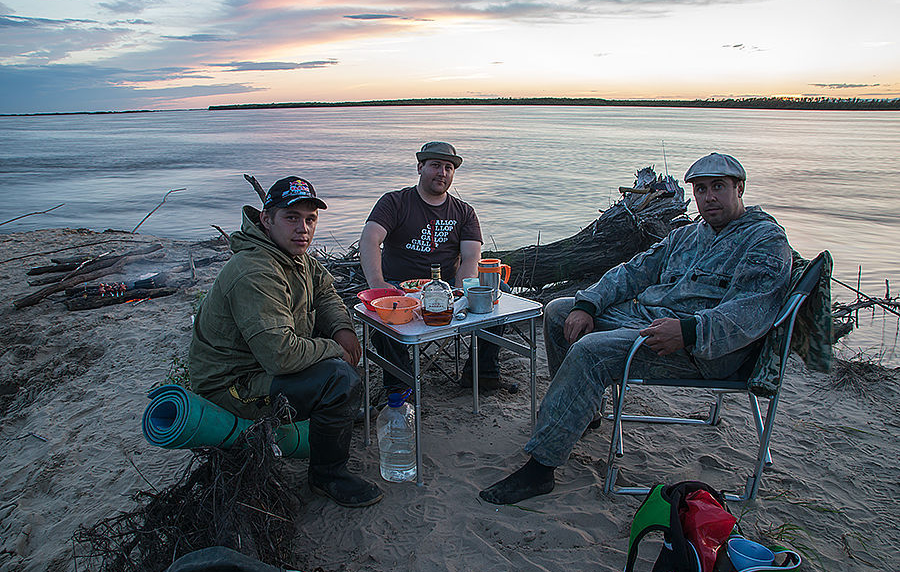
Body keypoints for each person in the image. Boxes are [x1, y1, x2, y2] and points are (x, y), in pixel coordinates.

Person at [479, 152, 792, 505]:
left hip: (700, 348)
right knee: (558, 312)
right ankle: (583, 414)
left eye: (718, 187)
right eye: (701, 189)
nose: (709, 197)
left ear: (740, 188)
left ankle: (540, 471)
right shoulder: (689, 235)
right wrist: (588, 303)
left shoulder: (764, 241)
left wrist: (689, 331)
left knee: (591, 353)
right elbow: (633, 271)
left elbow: (748, 312)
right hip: (649, 320)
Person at [189, 176, 383, 508]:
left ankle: (328, 419)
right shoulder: (255, 270)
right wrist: (338, 349)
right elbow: (281, 356)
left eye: (310, 219)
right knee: (339, 379)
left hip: (261, 366)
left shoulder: (296, 256)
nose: (303, 229)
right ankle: (327, 476)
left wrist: (342, 330)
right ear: (267, 220)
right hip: (232, 386)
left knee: (338, 363)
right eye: (291, 218)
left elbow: (325, 294)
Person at [359, 141, 505, 391]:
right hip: (400, 287)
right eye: (435, 165)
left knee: (495, 289)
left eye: (448, 167)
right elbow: (370, 239)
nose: (442, 173)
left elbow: (471, 257)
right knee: (379, 315)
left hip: (447, 286)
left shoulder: (464, 211)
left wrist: (460, 291)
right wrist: (378, 285)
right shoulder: (395, 202)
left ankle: (482, 376)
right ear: (420, 168)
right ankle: (400, 387)